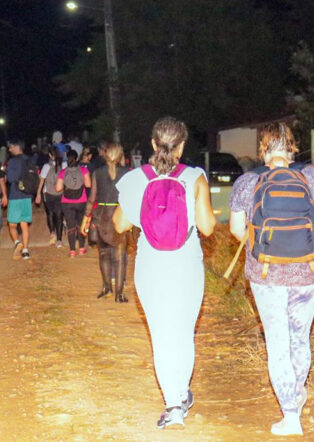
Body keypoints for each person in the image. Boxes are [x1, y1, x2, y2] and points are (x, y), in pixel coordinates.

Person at [228, 122, 314, 437]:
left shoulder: (248, 182)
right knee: (299, 337)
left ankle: (291, 416)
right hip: (307, 272)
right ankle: (297, 392)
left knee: (277, 341)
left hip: (265, 276)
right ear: (293, 147)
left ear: (262, 149)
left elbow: (237, 231)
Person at [113, 117, 216, 430]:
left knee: (160, 334)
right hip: (186, 264)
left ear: (153, 144)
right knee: (183, 332)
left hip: (151, 264)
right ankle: (181, 394)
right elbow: (208, 227)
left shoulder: (134, 179)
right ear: (182, 146)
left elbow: (119, 225)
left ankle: (173, 402)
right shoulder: (195, 177)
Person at [81, 141, 130, 301]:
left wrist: (85, 220)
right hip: (119, 215)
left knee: (103, 253)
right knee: (120, 255)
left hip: (101, 216)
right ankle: (119, 293)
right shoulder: (126, 173)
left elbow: (91, 199)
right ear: (120, 155)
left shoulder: (98, 172)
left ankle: (107, 287)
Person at [55, 148, 91, 257]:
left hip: (67, 202)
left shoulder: (63, 172)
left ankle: (72, 251)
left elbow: (57, 188)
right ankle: (81, 248)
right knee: (81, 224)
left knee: (71, 226)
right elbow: (89, 185)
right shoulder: (84, 170)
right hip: (81, 201)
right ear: (77, 158)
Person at [4, 139, 34, 260]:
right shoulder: (29, 160)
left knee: (12, 224)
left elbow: (11, 178)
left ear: (17, 147)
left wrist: (6, 171)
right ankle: (26, 251)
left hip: (16, 195)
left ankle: (18, 243)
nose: (9, 149)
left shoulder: (12, 161)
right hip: (27, 195)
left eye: (11, 147)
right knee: (24, 224)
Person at [37, 146, 65, 247]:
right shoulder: (64, 165)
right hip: (61, 193)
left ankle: (52, 232)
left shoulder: (46, 166)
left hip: (48, 194)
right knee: (59, 216)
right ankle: (59, 240)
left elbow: (42, 181)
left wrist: (38, 194)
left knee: (50, 214)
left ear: (50, 155)